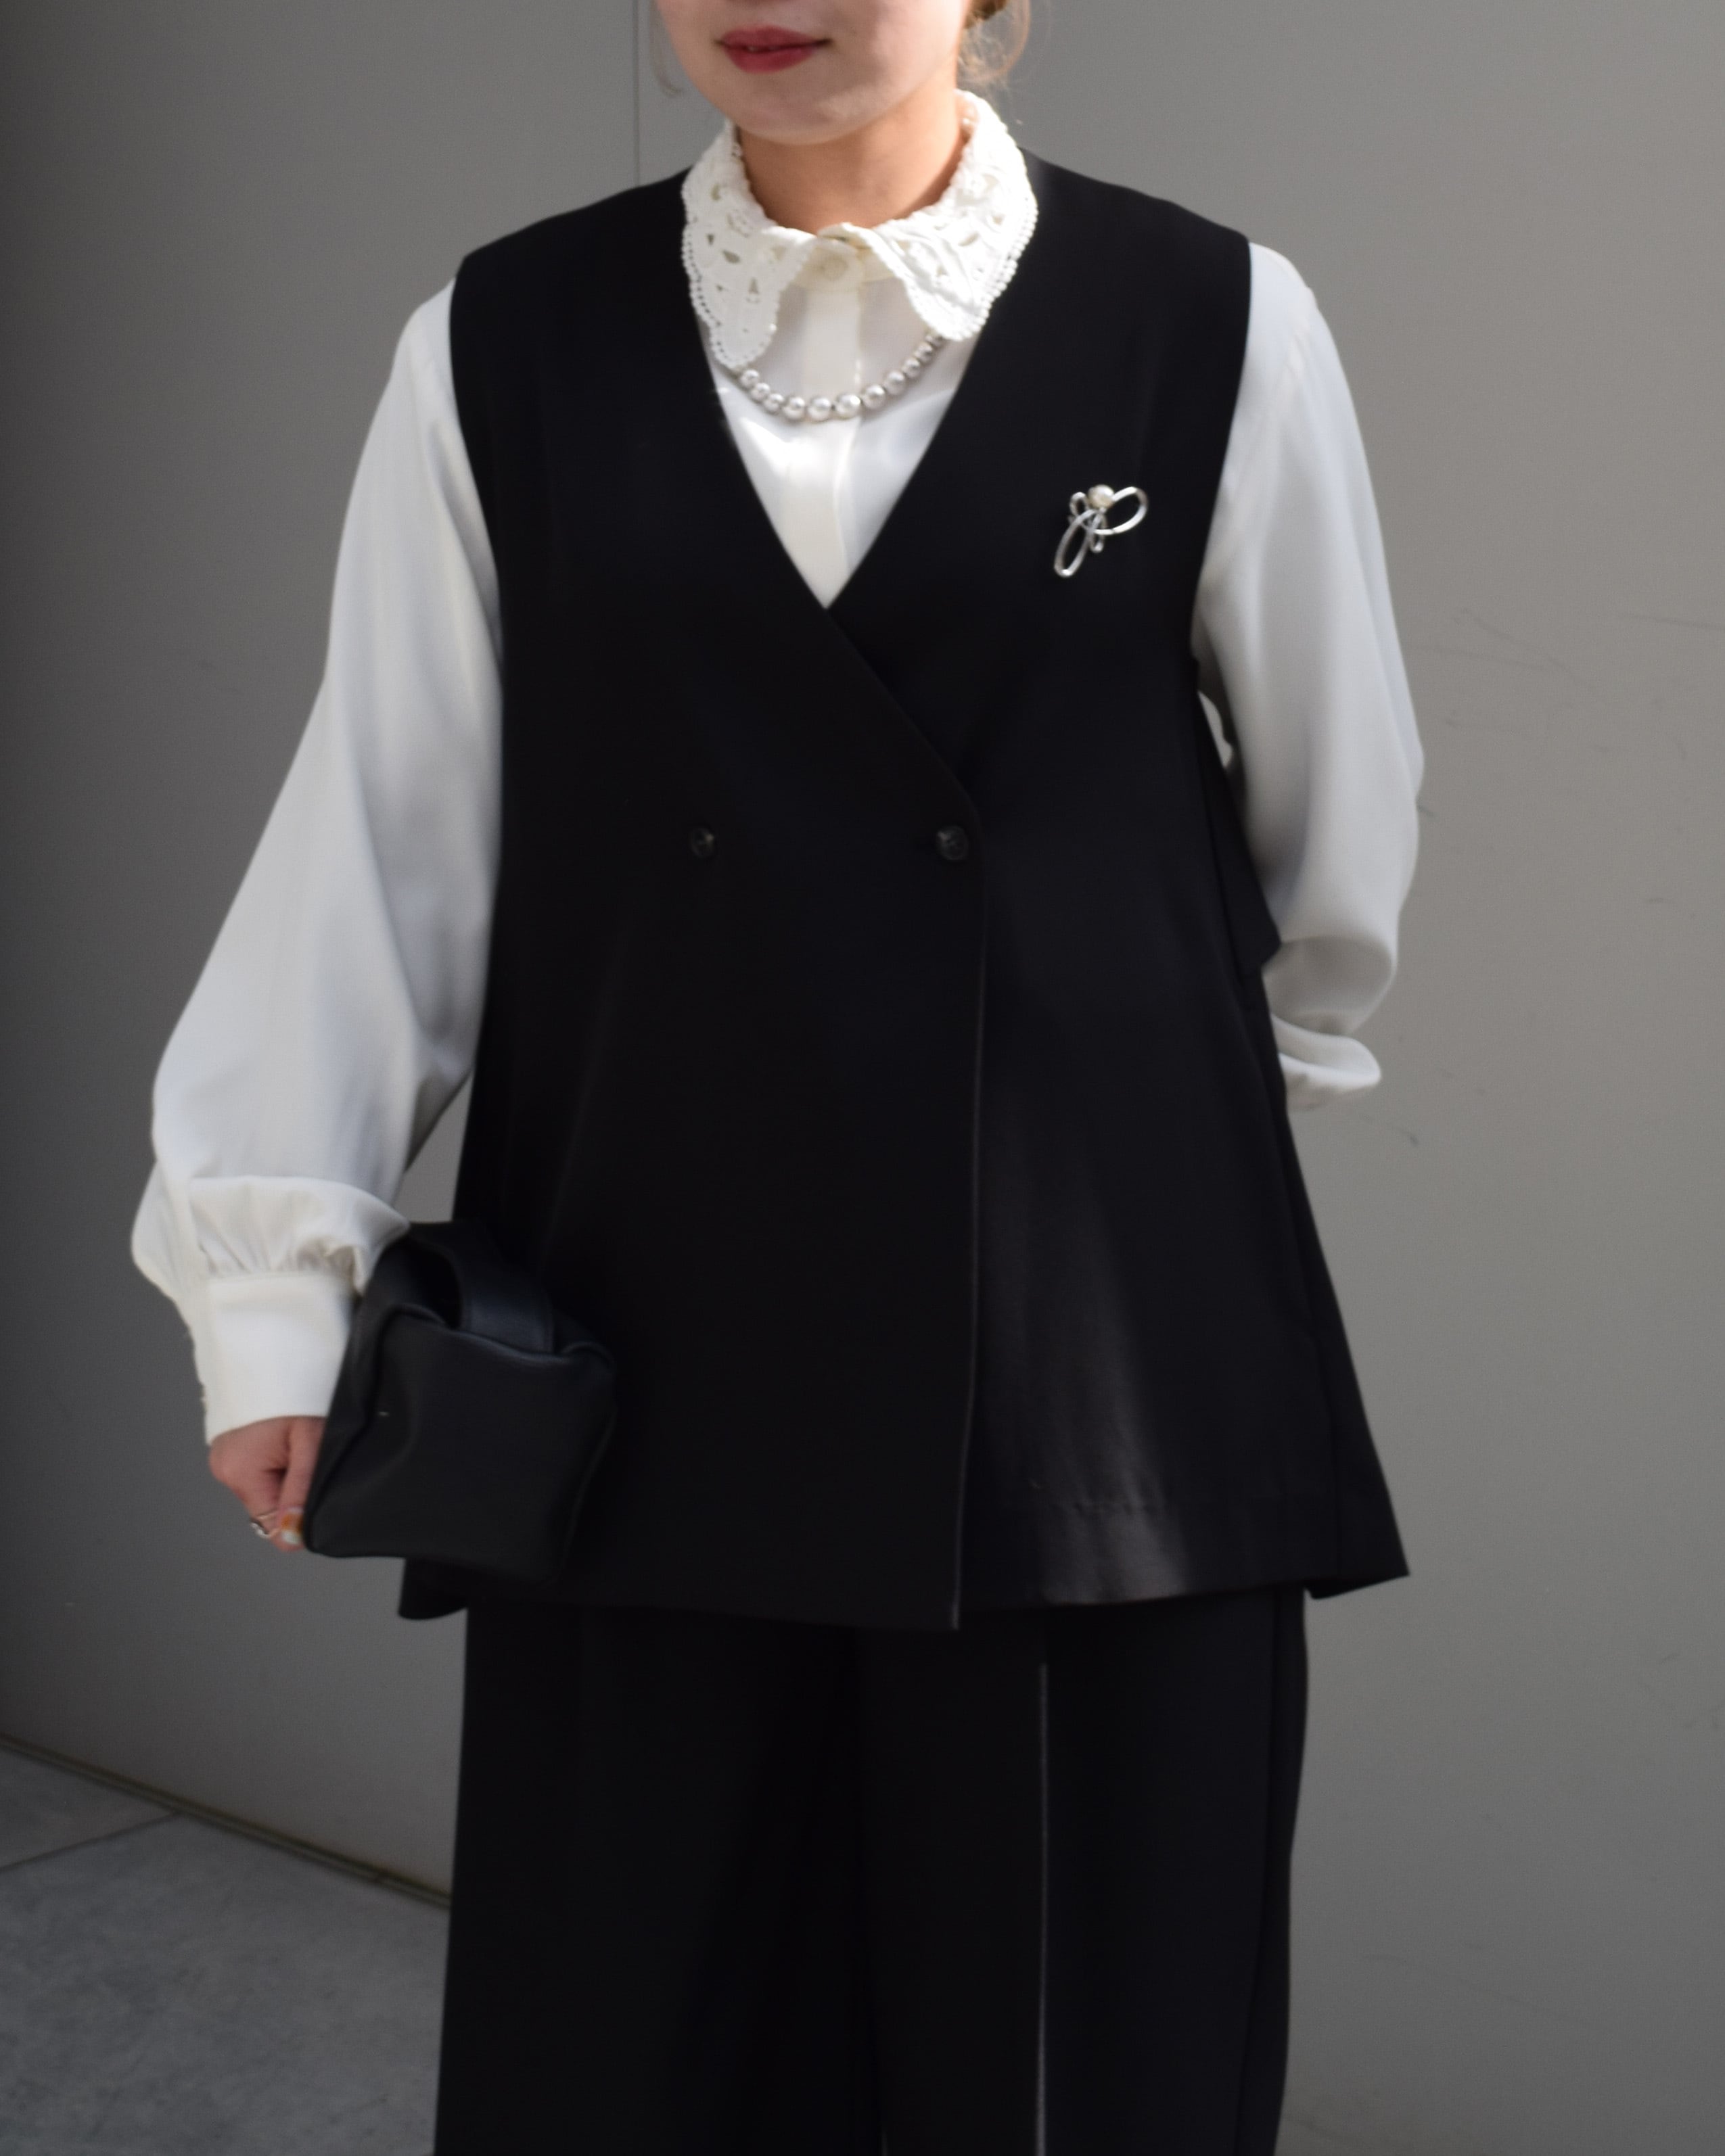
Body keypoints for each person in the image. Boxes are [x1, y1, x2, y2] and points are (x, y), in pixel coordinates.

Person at [133, 1, 1423, 2147]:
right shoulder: (501, 344)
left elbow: (1334, 833)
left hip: (1091, 1390)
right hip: (644, 1347)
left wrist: (1150, 1160)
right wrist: (274, 1289)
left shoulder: (1213, 324)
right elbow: (382, 834)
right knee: (634, 2062)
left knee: (1070, 2073)